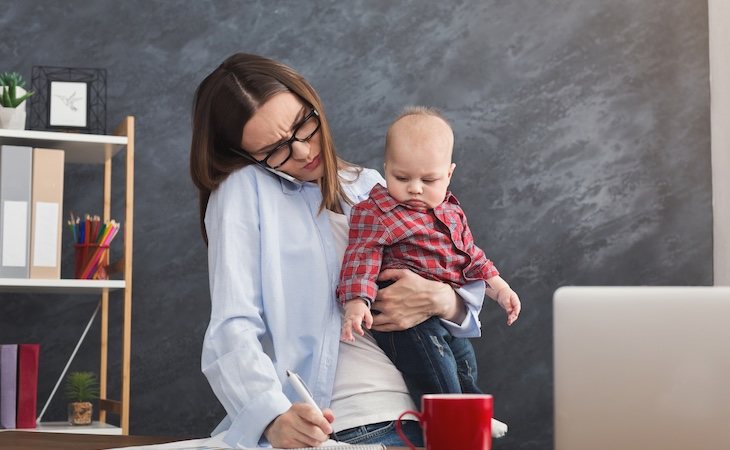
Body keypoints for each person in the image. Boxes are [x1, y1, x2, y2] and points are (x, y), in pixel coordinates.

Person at [190, 53, 489, 449]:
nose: (300, 152)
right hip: (355, 422)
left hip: (434, 410)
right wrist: (271, 416)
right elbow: (231, 327)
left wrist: (443, 299)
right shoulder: (244, 189)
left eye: (303, 126)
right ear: (249, 155)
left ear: (313, 102)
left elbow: (452, 273)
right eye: (275, 149)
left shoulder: (371, 185)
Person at [337, 106, 521, 436]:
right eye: (402, 178)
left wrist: (500, 288)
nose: (415, 189)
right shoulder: (375, 211)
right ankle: (448, 419)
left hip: (440, 313)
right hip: (403, 324)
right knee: (434, 366)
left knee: (463, 360)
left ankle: (473, 410)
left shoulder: (450, 211)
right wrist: (356, 304)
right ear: (386, 169)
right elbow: (359, 260)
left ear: (448, 174)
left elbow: (470, 257)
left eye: (429, 179)